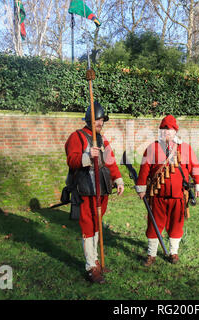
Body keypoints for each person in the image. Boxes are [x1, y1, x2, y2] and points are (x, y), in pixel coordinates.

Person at [64, 101, 124, 284]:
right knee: (88, 227)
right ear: (89, 120)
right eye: (97, 119)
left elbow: (111, 161)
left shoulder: (103, 139)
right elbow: (71, 160)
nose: (100, 123)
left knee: (97, 224)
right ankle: (90, 266)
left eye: (102, 120)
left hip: (102, 188)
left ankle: (96, 259)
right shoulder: (77, 137)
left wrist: (118, 180)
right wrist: (88, 155)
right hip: (85, 189)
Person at [135, 115, 199, 266]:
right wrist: (141, 188)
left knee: (176, 225)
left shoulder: (185, 148)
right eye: (163, 130)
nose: (166, 133)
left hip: (179, 196)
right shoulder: (152, 148)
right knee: (154, 224)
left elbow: (195, 167)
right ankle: (151, 255)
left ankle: (173, 252)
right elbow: (144, 170)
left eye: (169, 130)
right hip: (157, 196)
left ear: (175, 132)